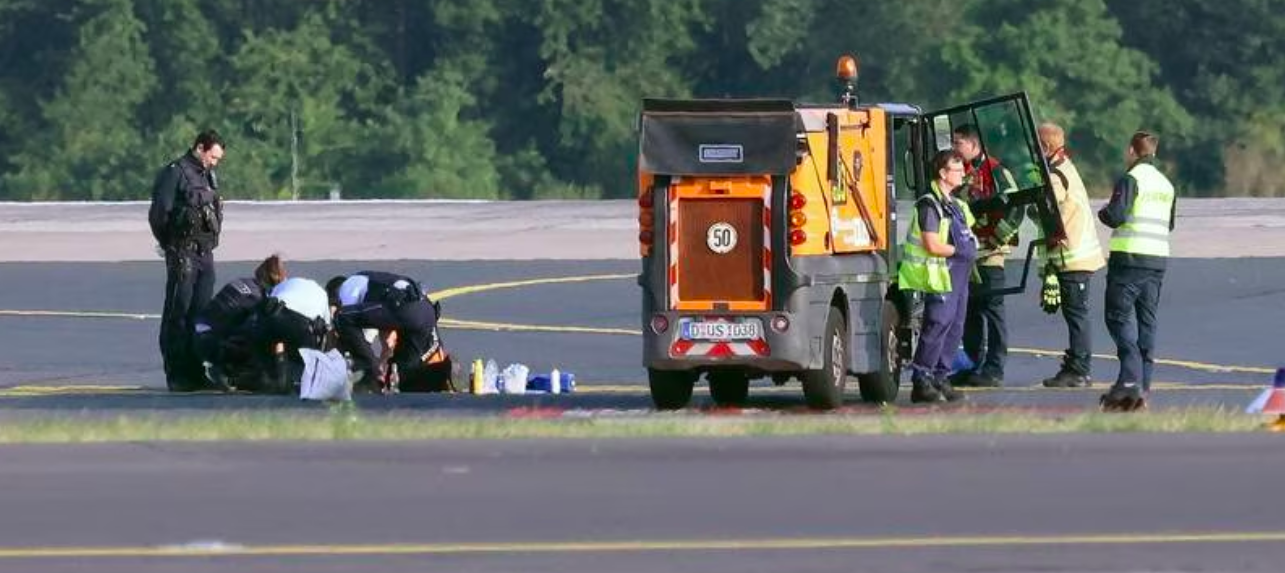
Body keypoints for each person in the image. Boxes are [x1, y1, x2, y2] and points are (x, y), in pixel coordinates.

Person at [1097, 131, 1176, 411]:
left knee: (1117, 317)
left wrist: (1103, 212)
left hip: (1130, 258)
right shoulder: (1166, 184)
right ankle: (1142, 386)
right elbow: (1168, 224)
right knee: (1147, 323)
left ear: (1132, 151)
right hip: (1157, 260)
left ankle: (1129, 378)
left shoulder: (1132, 179)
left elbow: (1116, 215)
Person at [898, 150, 979, 403]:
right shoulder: (929, 205)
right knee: (937, 325)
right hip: (940, 274)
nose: (963, 174)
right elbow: (932, 244)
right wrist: (959, 250)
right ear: (943, 174)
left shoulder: (957, 205)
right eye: (958, 169)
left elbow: (970, 233)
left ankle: (941, 377)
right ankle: (921, 378)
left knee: (955, 327)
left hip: (960, 275)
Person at [148, 130, 226, 392]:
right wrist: (170, 245)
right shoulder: (175, 173)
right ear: (200, 148)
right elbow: (159, 214)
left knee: (200, 315)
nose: (215, 162)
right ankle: (177, 373)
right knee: (177, 315)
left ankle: (195, 371)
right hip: (183, 253)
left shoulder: (207, 176)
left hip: (205, 254)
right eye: (213, 156)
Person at [1035, 123, 1107, 388]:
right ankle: (1077, 365)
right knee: (1076, 314)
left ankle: (1078, 368)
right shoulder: (1066, 167)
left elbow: (1047, 212)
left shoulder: (1055, 175)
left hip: (1072, 258)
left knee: (1077, 315)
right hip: (1076, 256)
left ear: (1045, 147)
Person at [951, 124, 1020, 388]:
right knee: (970, 313)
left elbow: (1016, 208)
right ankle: (972, 365)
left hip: (991, 255)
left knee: (993, 313)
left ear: (973, 145)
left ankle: (994, 369)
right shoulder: (960, 174)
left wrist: (996, 237)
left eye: (959, 143)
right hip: (967, 256)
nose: (955, 149)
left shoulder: (998, 171)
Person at [326, 271, 453, 393]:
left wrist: (374, 369)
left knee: (342, 316)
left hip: (405, 309)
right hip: (425, 310)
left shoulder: (346, 289)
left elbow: (356, 335)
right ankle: (440, 384)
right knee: (405, 378)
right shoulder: (370, 284)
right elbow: (387, 341)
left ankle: (369, 376)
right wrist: (383, 365)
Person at [194, 254, 288, 391]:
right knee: (262, 335)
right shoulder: (258, 298)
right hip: (212, 342)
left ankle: (218, 363)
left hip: (199, 334)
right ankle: (226, 372)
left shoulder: (243, 282)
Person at [259, 276, 333, 394]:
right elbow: (327, 329)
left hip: (274, 314)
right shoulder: (322, 295)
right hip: (301, 325)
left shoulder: (284, 285)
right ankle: (296, 379)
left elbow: (268, 303)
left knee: (272, 338)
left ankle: (270, 376)